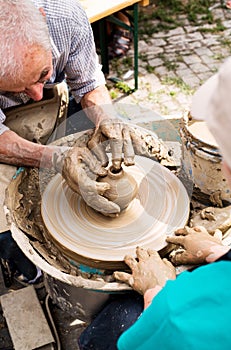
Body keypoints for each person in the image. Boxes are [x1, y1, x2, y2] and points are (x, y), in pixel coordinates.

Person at [78, 55, 231, 349]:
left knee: (116, 322)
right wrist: (218, 251)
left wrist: (157, 292)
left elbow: (182, 335)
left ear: (226, 167)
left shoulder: (181, 315)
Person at [0, 0, 139, 284]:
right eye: (20, 87)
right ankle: (23, 261)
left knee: (106, 133)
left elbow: (88, 85)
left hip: (55, 105)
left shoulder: (64, 17)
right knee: (8, 210)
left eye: (41, 74)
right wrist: (55, 158)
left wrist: (106, 117)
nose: (36, 93)